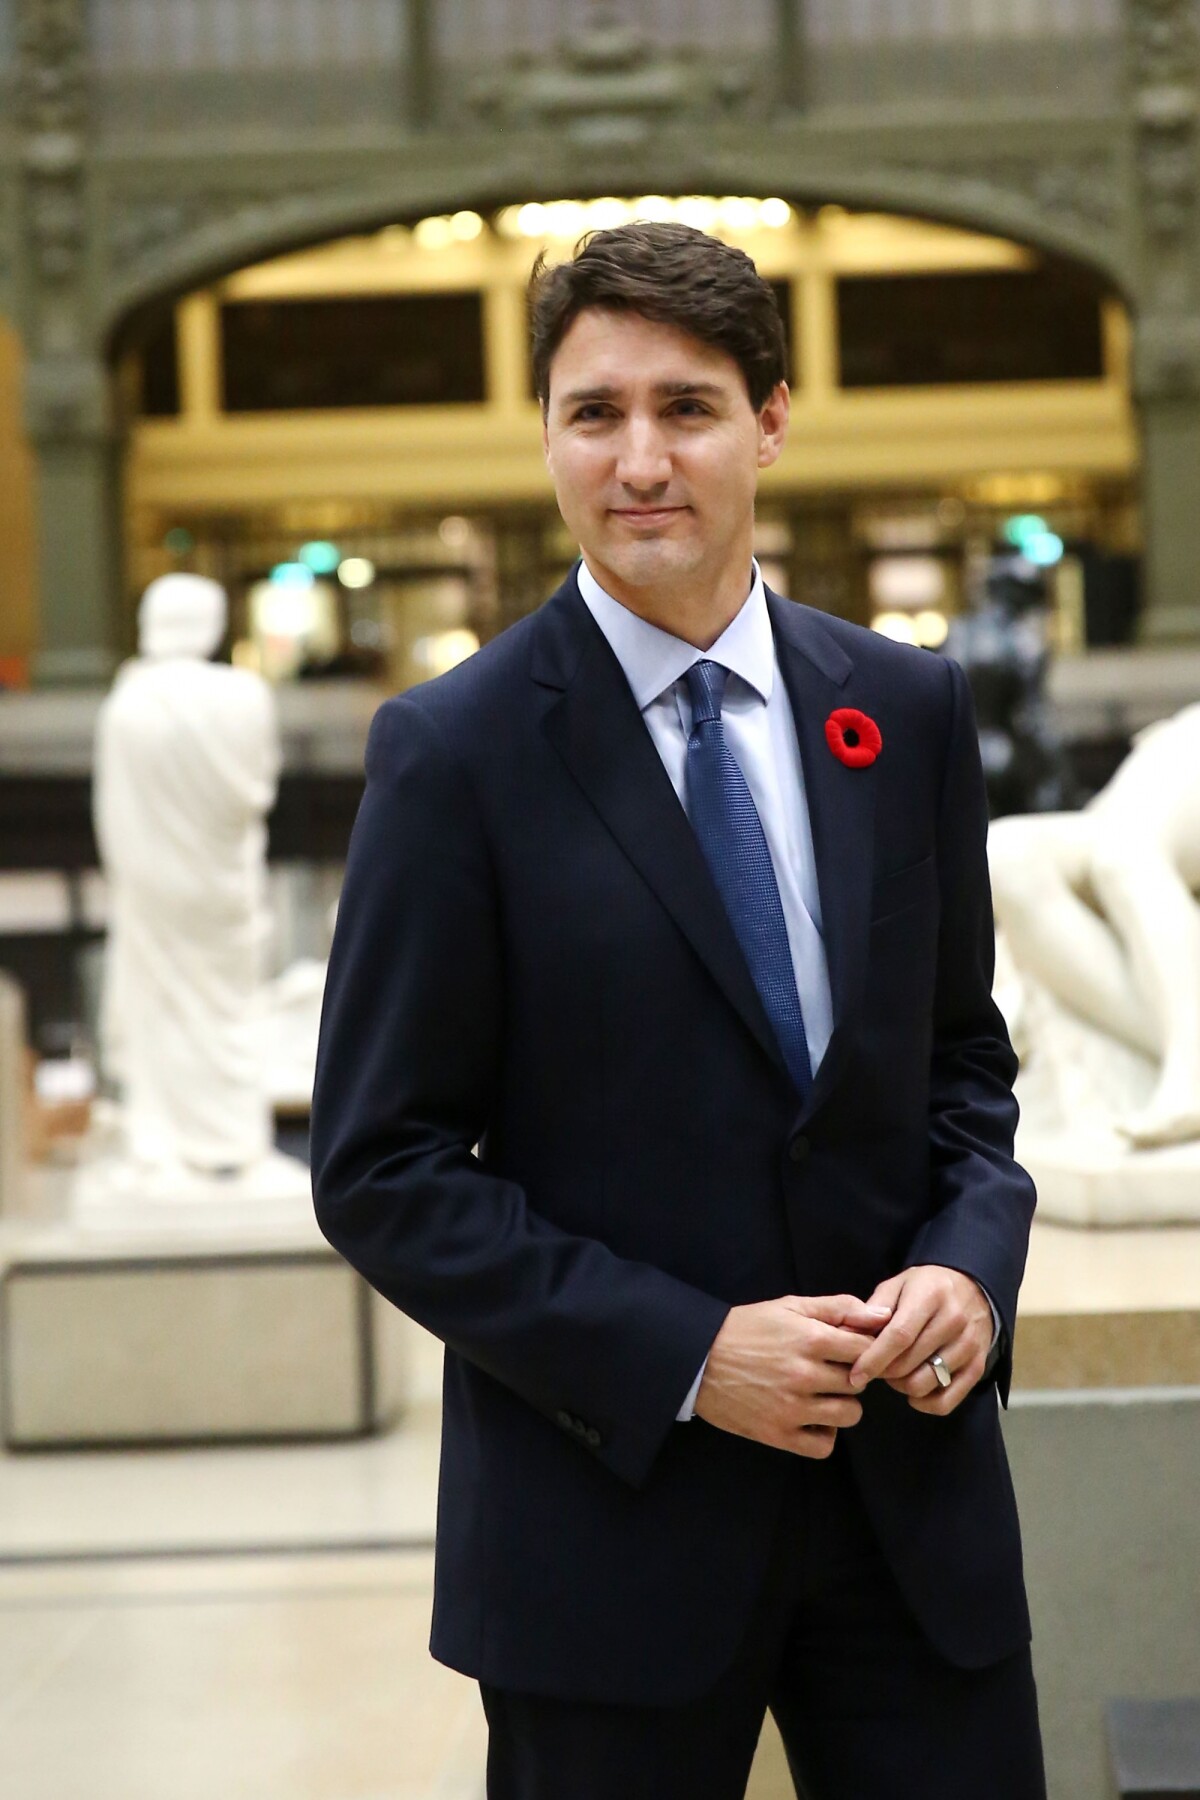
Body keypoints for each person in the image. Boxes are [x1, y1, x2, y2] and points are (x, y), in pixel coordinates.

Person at [311, 222, 1043, 1799]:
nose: (640, 460)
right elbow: (383, 1169)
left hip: (915, 1525)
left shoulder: (904, 711)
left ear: (770, 420)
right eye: (595, 413)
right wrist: (688, 1353)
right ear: (552, 436)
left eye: (688, 408)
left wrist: (971, 1275)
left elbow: (963, 1068)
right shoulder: (454, 754)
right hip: (608, 1538)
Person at [95, 573, 279, 1174]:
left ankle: (164, 1137)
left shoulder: (129, 702)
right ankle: (229, 1140)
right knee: (229, 1009)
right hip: (223, 887)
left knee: (163, 1006)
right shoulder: (245, 696)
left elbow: (113, 812)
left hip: (154, 886)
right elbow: (257, 789)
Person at [990, 703, 1200, 1148]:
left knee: (1123, 850)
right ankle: (1176, 1049)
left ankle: (1190, 1064)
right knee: (1003, 855)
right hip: (1118, 812)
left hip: (1141, 831)